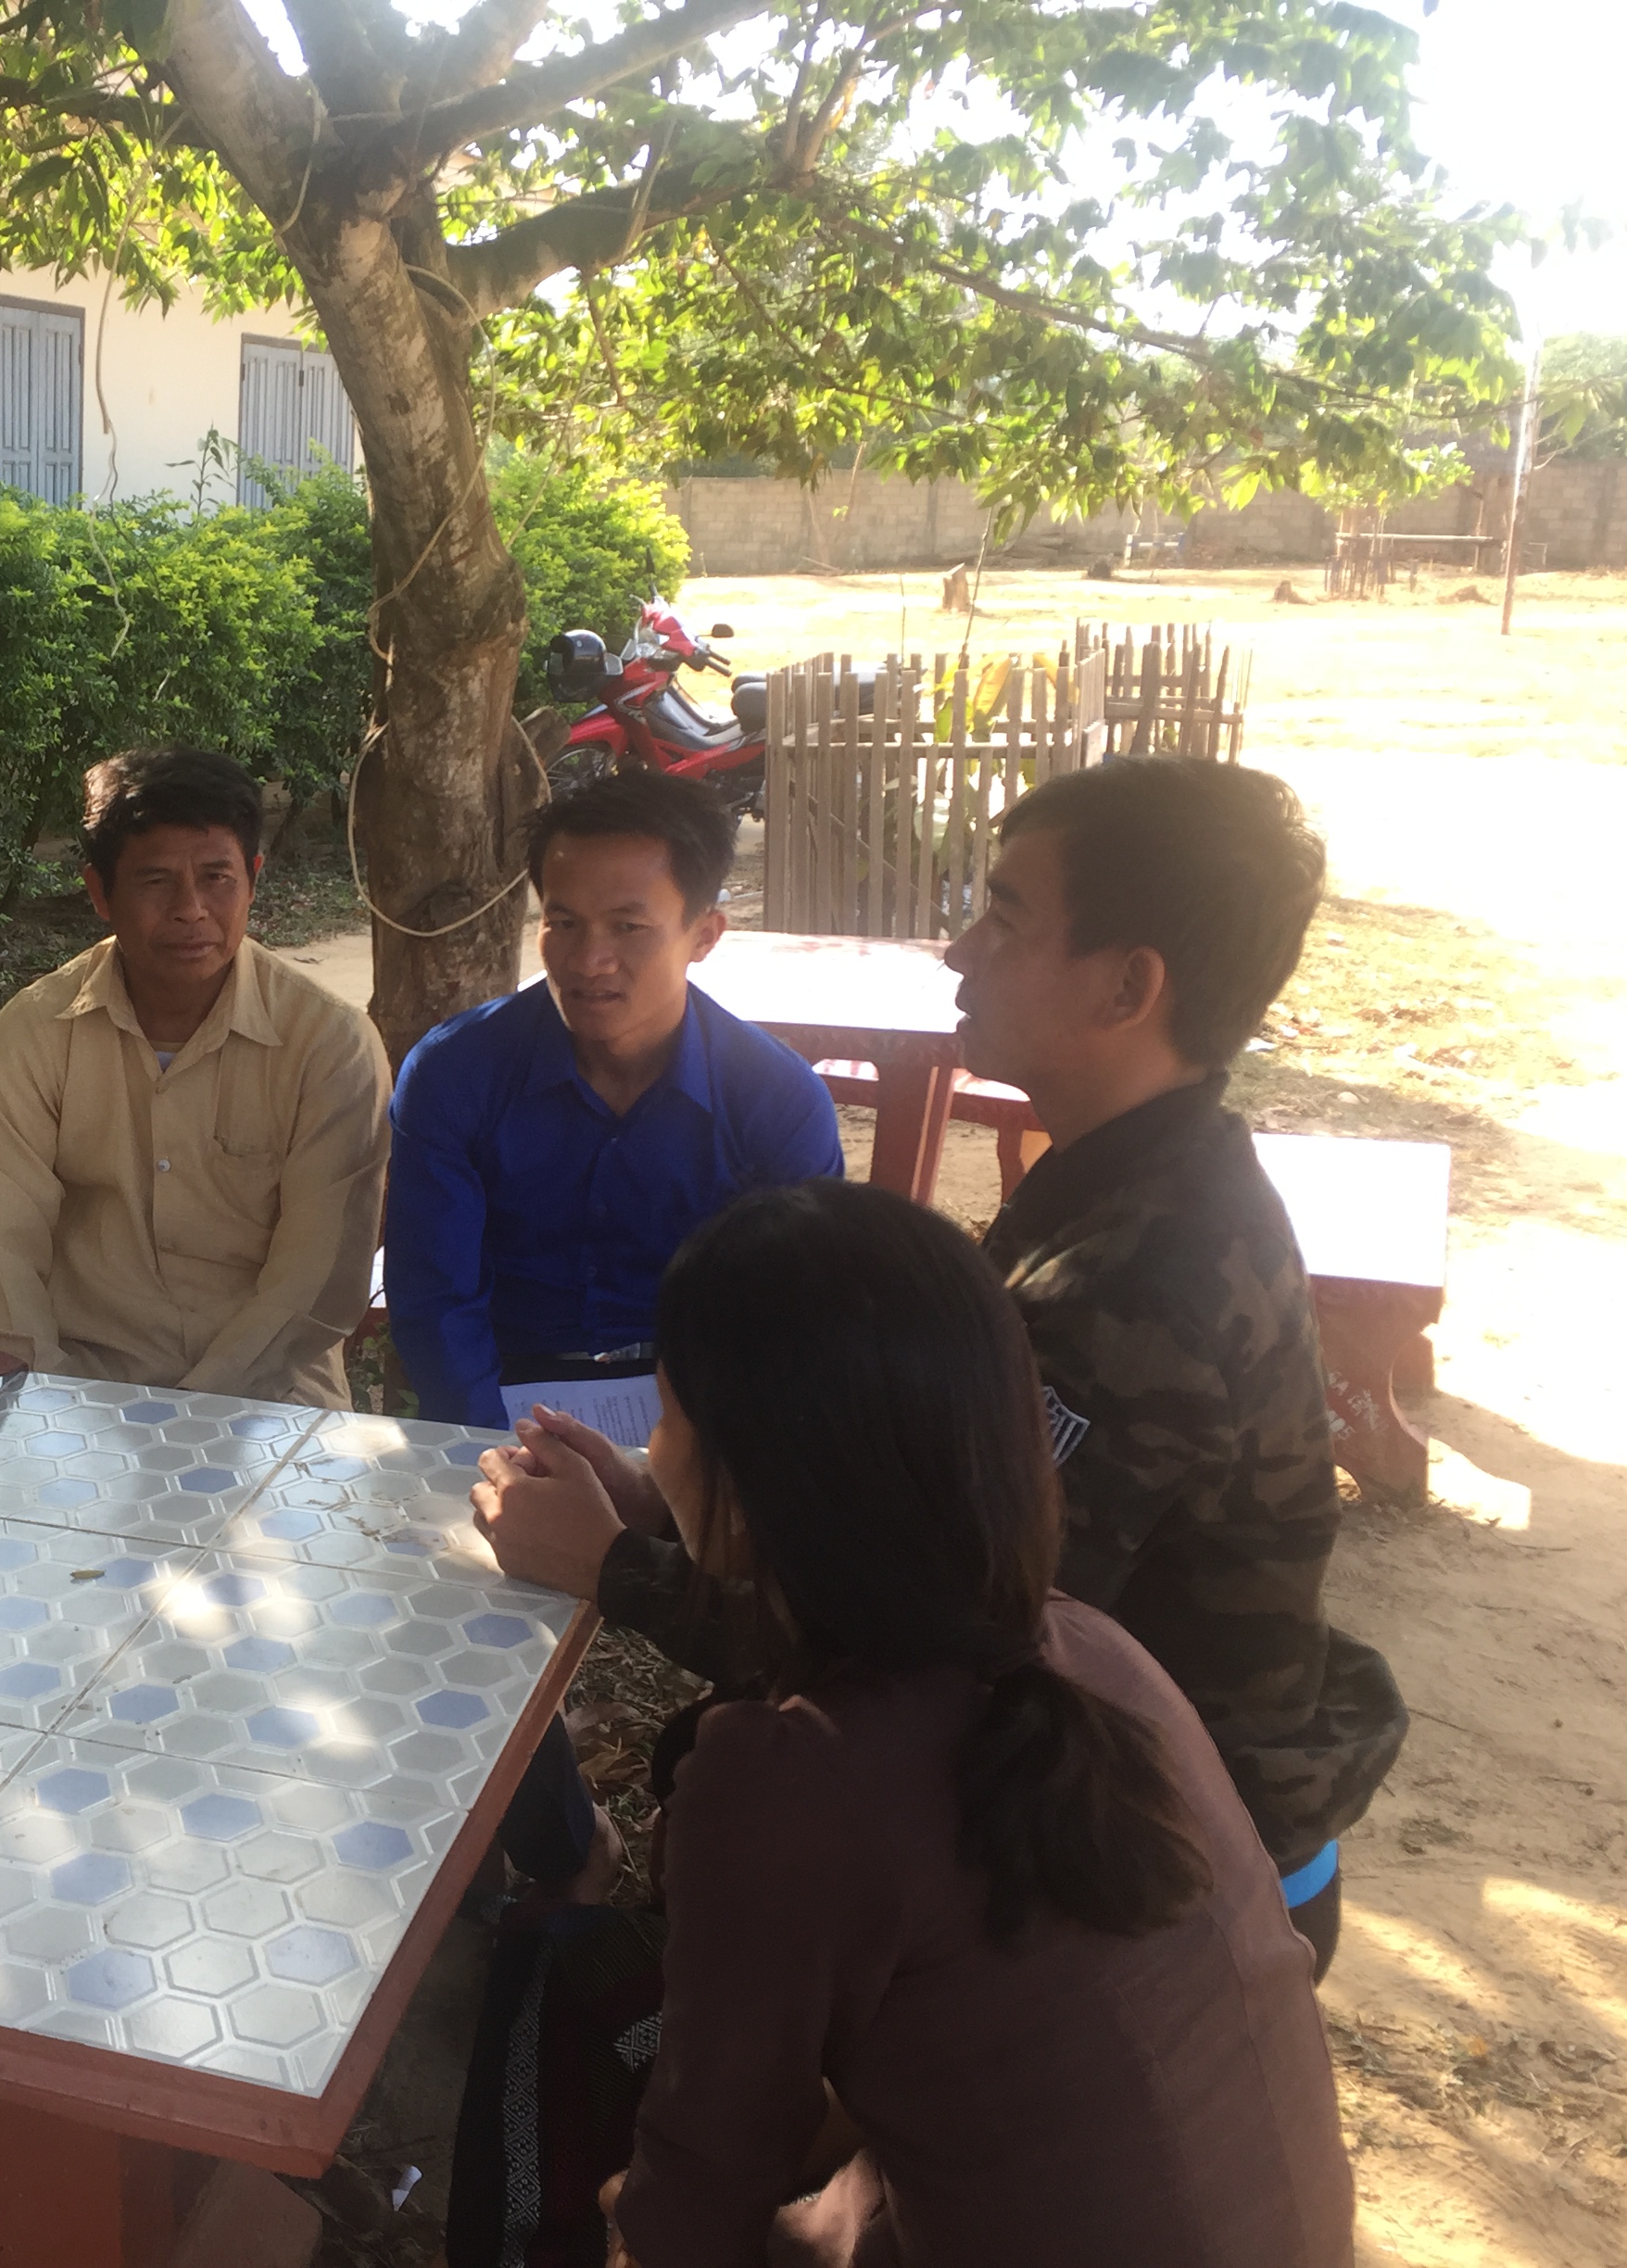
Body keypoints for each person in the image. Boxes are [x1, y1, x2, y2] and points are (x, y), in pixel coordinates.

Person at [484, 758, 1405, 1979]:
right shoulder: (1122, 1183)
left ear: (1130, 985)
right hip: (1103, 1797)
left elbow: (929, 1654)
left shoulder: (1141, 1290)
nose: (958, 952)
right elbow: (920, 1511)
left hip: (1161, 1886)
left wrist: (611, 1567)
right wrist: (670, 1502)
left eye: (1006, 918)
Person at [460, 1183, 1354, 2268]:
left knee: (561, 1973)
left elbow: (699, 2186)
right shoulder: (1095, 1655)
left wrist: (632, 2228)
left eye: (665, 1420)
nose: (653, 1447)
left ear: (752, 1475)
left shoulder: (789, 1778)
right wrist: (665, 1519)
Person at [382, 769, 841, 1434]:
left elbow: (797, 1317)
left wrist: (710, 1455)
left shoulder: (775, 1099)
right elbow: (436, 1302)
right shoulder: (455, 1075)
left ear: (704, 935)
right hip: (504, 1400)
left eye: (628, 926)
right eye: (563, 922)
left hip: (700, 1407)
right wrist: (492, 1450)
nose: (589, 959)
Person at [0, 745, 391, 1406]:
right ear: (100, 892)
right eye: (155, 881)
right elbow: (2, 1254)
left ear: (253, 879)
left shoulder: (329, 1045)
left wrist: (194, 1412)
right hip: (81, 1384)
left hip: (273, 1395)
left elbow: (316, 1280)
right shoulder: (36, 1033)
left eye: (217, 877)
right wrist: (42, 1401)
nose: (191, 909)